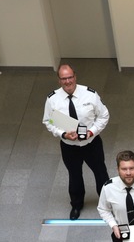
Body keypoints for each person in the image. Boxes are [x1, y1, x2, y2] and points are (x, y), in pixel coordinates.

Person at [43, 64, 111, 219]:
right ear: (59, 81)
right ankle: (76, 204)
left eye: (70, 77)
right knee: (74, 175)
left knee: (101, 173)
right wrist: (63, 134)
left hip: (91, 143)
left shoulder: (90, 95)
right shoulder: (52, 99)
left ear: (75, 76)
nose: (67, 81)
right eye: (64, 79)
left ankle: (107, 204)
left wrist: (91, 132)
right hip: (69, 146)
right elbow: (48, 121)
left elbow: (104, 116)